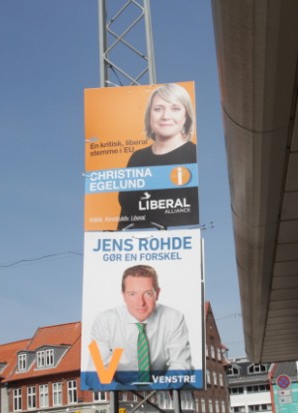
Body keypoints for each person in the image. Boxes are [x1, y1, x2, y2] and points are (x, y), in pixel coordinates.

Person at [88, 264, 192, 386]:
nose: (140, 302)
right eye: (132, 294)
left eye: (148, 293)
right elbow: (94, 371)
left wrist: (160, 387)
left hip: (163, 390)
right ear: (123, 295)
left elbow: (181, 365)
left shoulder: (174, 318)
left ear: (157, 293)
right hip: (120, 392)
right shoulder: (105, 321)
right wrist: (119, 391)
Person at [118, 83, 199, 229]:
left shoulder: (194, 155)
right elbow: (125, 214)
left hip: (179, 244)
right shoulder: (137, 158)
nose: (165, 116)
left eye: (175, 109)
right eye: (158, 109)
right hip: (134, 246)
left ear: (186, 116)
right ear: (149, 115)